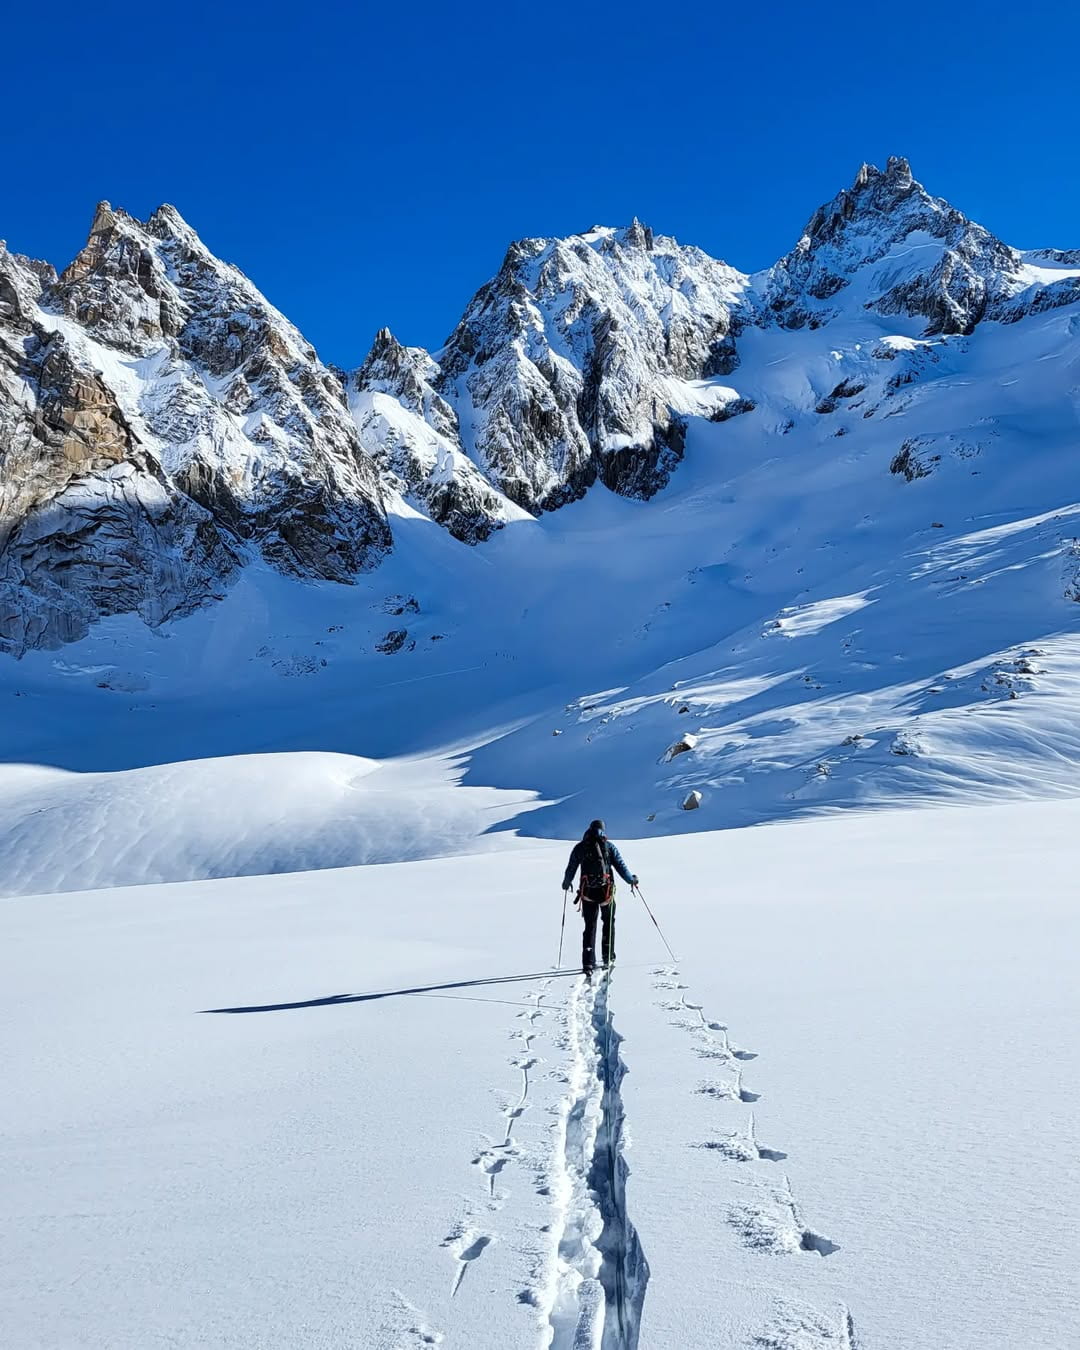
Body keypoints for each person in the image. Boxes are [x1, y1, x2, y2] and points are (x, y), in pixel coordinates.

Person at [561, 819, 638, 975]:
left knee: (590, 926)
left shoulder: (580, 847)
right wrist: (632, 880)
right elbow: (621, 867)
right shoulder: (609, 847)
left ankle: (588, 963)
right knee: (608, 923)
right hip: (606, 892)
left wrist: (566, 882)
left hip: (587, 892)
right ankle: (608, 956)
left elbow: (571, 867)